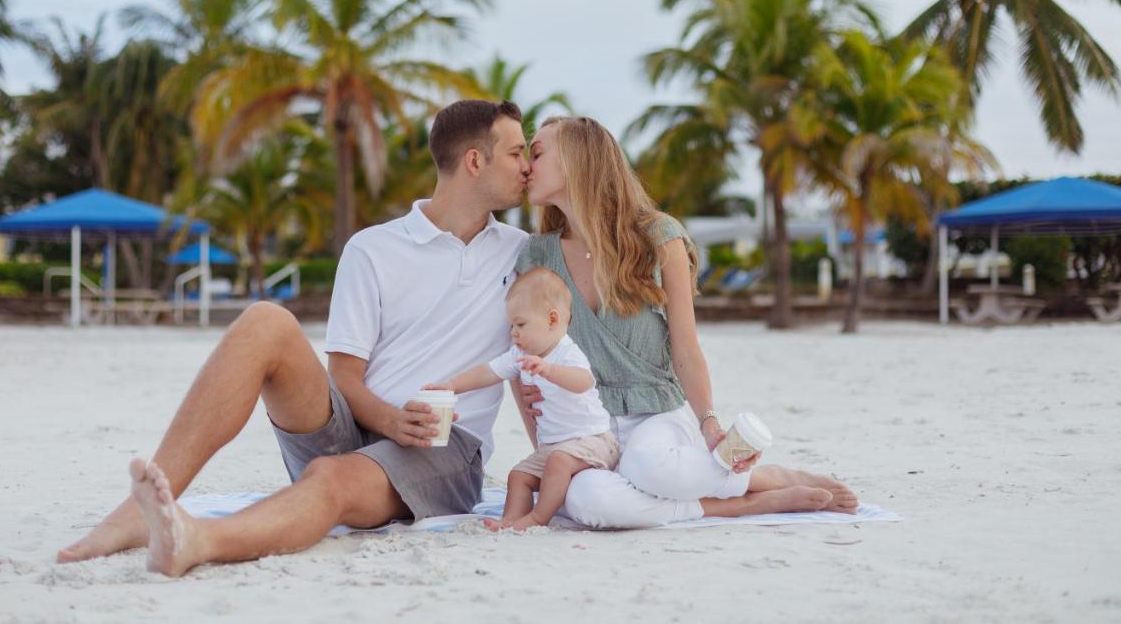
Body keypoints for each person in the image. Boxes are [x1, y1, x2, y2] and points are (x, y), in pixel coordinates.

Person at [56, 100, 530, 576]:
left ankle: (197, 540)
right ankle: (143, 506)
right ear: (474, 160)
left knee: (331, 477)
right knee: (266, 320)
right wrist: (387, 419)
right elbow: (344, 376)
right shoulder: (374, 248)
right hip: (359, 423)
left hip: (441, 448)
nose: (527, 166)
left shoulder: (522, 254)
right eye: (516, 153)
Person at [517, 116, 859, 528]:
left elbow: (685, 347)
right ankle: (746, 502)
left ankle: (768, 478)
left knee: (651, 469)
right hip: (585, 428)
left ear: (577, 160)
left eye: (536, 153)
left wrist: (709, 425)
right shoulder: (534, 255)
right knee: (594, 504)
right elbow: (519, 360)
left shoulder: (659, 238)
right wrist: (545, 447)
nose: (525, 166)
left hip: (655, 416)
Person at [424, 267, 619, 530]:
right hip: (555, 446)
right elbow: (488, 371)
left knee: (558, 462)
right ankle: (510, 521)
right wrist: (451, 386)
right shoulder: (519, 354)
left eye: (521, 324)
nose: (513, 333)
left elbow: (583, 381)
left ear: (552, 320)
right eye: (512, 326)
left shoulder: (566, 352)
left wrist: (549, 370)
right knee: (519, 475)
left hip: (593, 440)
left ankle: (538, 518)